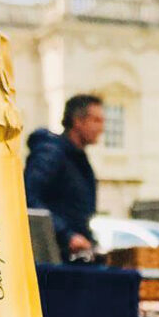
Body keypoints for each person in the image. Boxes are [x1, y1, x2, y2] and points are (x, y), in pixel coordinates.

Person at [25, 94, 104, 262]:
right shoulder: (51, 154)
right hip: (51, 259)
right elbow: (29, 198)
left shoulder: (78, 160)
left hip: (69, 256)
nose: (101, 128)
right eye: (96, 120)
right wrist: (67, 235)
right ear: (78, 121)